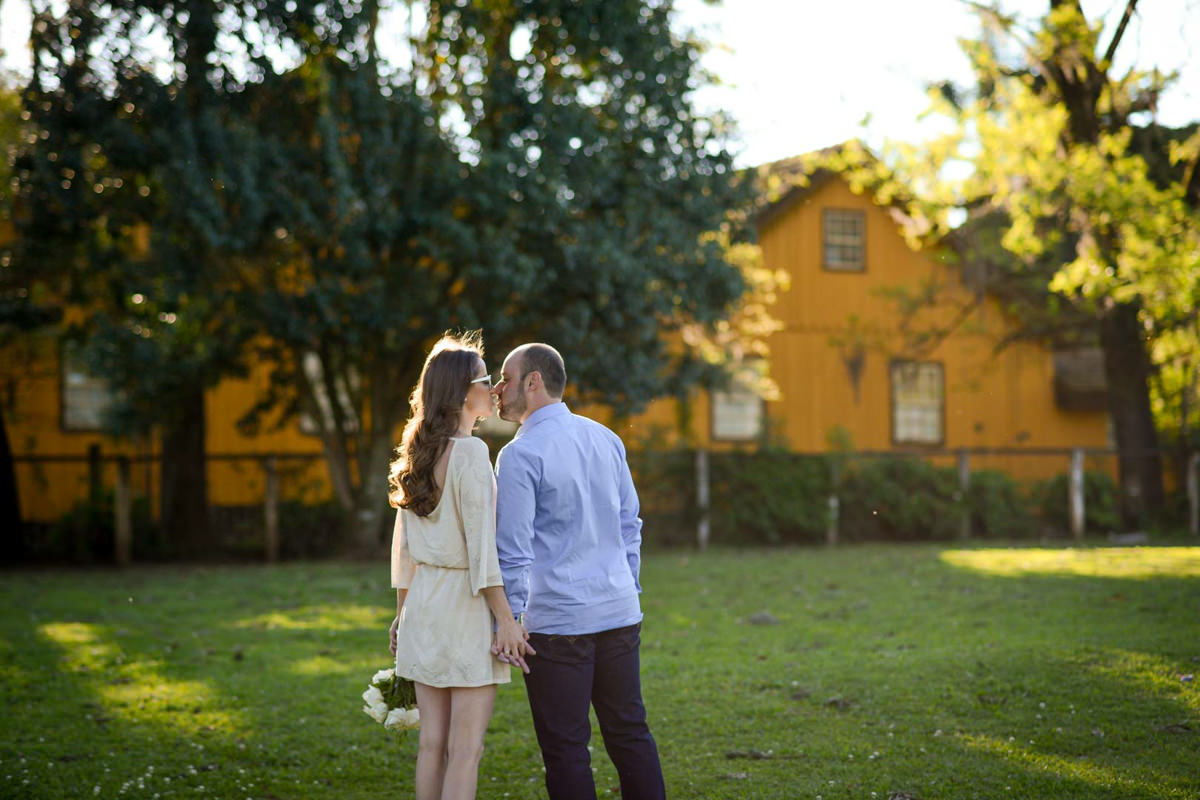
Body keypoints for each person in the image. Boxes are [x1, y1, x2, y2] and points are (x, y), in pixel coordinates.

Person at [491, 342, 667, 800]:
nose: (497, 389)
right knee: (630, 733)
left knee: (566, 749)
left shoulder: (520, 454)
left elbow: (512, 550)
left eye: (505, 379)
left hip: (558, 623)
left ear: (533, 382)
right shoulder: (605, 437)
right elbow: (631, 525)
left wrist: (508, 620)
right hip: (618, 611)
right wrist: (627, 585)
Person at [386, 332, 535, 800]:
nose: (493, 389)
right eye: (485, 380)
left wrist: (401, 613)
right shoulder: (471, 453)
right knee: (465, 750)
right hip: (463, 609)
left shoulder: (418, 453)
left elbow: (404, 552)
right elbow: (482, 553)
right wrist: (507, 620)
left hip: (423, 607)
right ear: (461, 392)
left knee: (431, 746)